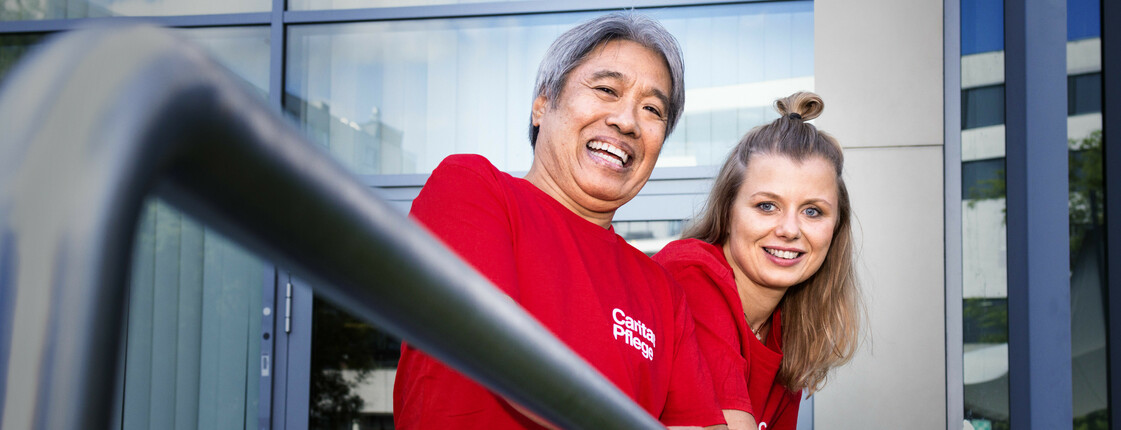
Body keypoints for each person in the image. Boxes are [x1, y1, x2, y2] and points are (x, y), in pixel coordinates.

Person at [393, 12, 727, 429]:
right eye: (606, 89)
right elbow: (497, 350)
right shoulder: (473, 188)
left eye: (652, 109)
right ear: (542, 104)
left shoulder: (663, 293)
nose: (627, 121)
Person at [653, 92, 862, 430]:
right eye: (767, 205)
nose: (790, 230)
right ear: (728, 210)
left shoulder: (786, 331)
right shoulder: (691, 273)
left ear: (835, 228)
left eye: (813, 211)